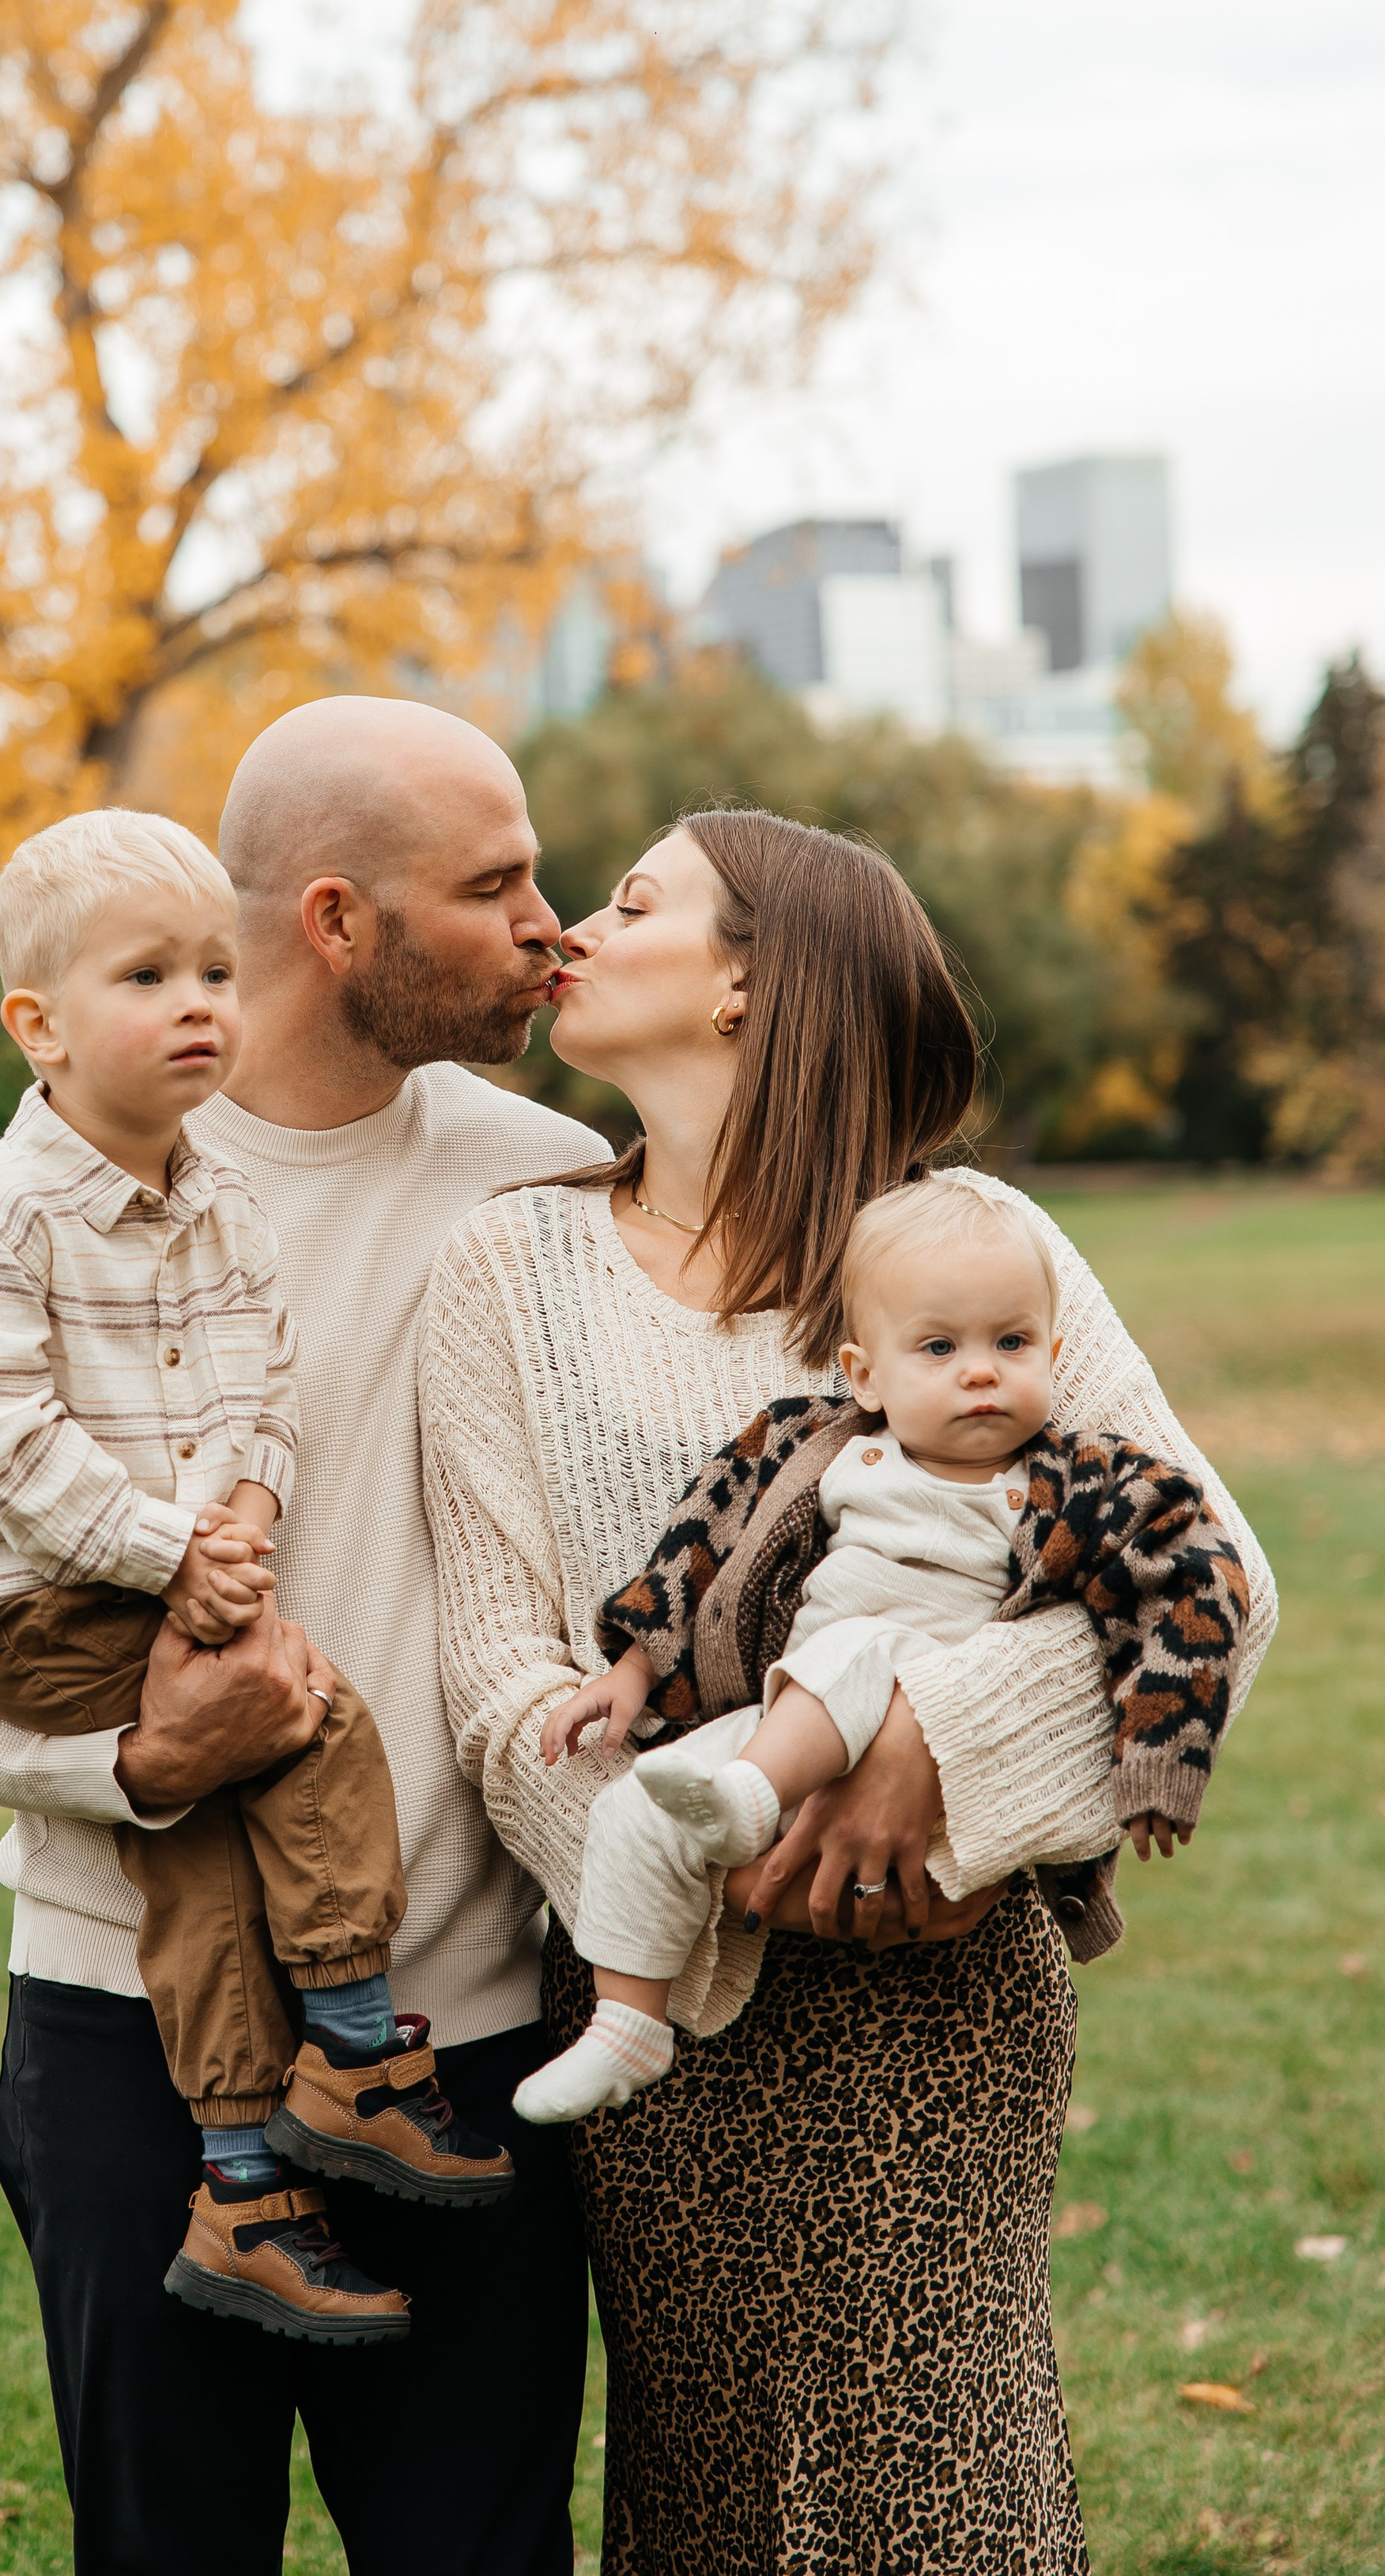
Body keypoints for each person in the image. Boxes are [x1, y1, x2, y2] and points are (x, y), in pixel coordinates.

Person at [421, 806, 1279, 2576]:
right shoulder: (504, 1266)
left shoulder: (969, 1254)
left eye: (631, 898)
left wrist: (925, 1756)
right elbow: (503, 1673)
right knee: (720, 2502)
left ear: (748, 982)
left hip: (938, 1985)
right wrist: (707, 1860)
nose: (577, 921)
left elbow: (1217, 1583)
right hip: (659, 2011)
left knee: (949, 2496)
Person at [0, 700, 606, 2573]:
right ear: (340, 920)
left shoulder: (553, 1181)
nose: (548, 924)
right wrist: (121, 1760)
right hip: (124, 2036)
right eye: (491, 882)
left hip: (463, 2050)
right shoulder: (40, 1212)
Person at [0, 805, 515, 2351]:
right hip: (26, 1619)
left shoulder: (216, 1200)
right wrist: (180, 1569)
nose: (194, 1007)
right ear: (35, 1026)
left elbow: (257, 1383)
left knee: (206, 1852)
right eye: (146, 978)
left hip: (166, 1583)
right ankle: (353, 2060)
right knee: (305, 1715)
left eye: (209, 974)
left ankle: (241, 2185)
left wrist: (240, 1516)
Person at [512, 1170, 1251, 2125]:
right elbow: (697, 1551)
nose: (980, 1371)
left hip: (932, 1729)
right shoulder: (810, 1449)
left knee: (860, 1650)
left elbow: (1197, 1583)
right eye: (939, 1347)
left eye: (1011, 1343)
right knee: (632, 1811)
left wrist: (1159, 1757)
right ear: (865, 1373)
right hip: (789, 1719)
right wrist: (633, 1666)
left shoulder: (1081, 1479)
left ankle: (747, 1800)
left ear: (1054, 1354)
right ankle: (629, 2020)